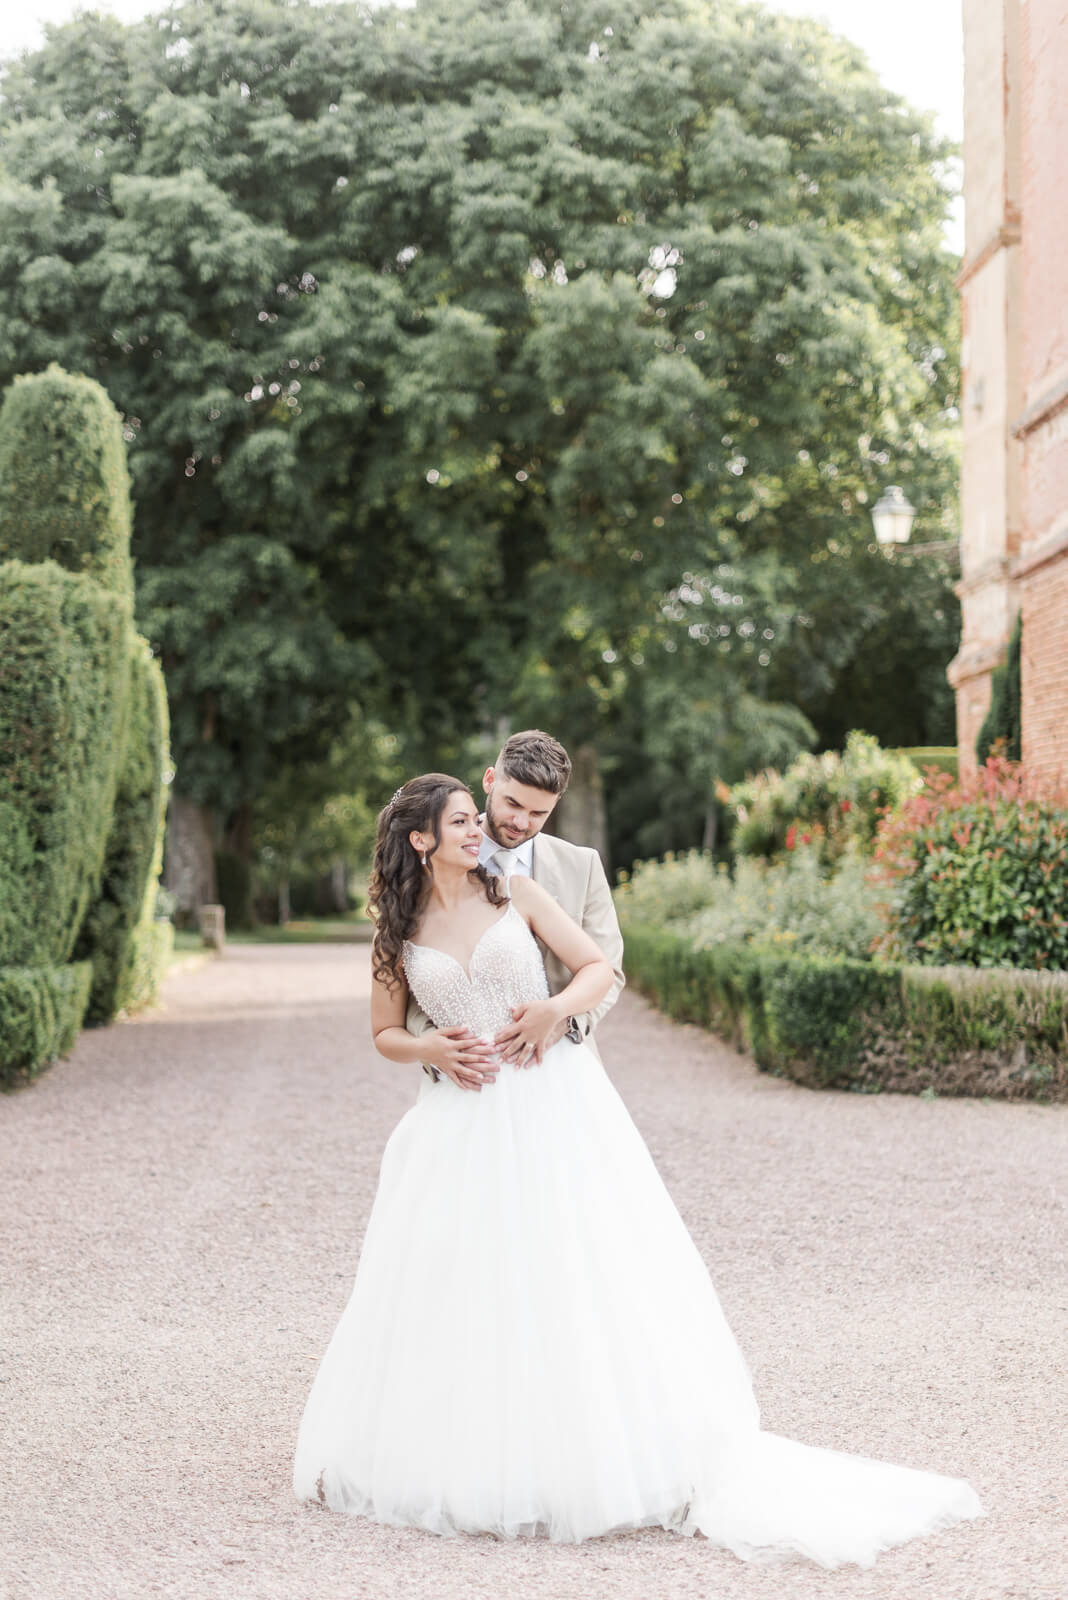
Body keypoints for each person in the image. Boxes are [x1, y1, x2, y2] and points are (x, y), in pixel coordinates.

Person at [293, 771, 984, 1565]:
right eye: (458, 822)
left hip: (553, 1104)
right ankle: (480, 1454)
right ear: (420, 839)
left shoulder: (514, 894)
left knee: (579, 1268)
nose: (476, 830)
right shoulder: (396, 932)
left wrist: (554, 1010)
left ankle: (601, 1453)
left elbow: (596, 968)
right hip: (461, 1122)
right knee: (473, 1282)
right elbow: (384, 1032)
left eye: (471, 819)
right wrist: (431, 1049)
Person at [404, 730, 625, 1085]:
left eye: (538, 813)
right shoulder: (435, 858)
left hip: (564, 1065)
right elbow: (412, 977)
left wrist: (562, 1021)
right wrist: (435, 1047)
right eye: (514, 804)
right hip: (468, 1075)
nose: (522, 823)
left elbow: (608, 969)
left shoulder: (582, 866)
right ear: (489, 780)